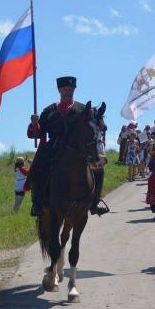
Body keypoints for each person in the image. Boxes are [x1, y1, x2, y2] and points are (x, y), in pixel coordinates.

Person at [27, 76, 109, 217]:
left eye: (70, 89)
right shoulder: (49, 110)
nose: (67, 92)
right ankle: (37, 202)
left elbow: (96, 120)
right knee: (37, 167)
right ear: (59, 90)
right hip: (54, 146)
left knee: (98, 168)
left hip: (78, 148)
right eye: (64, 89)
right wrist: (35, 124)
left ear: (74, 90)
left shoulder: (83, 109)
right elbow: (37, 133)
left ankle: (95, 202)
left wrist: (101, 122)